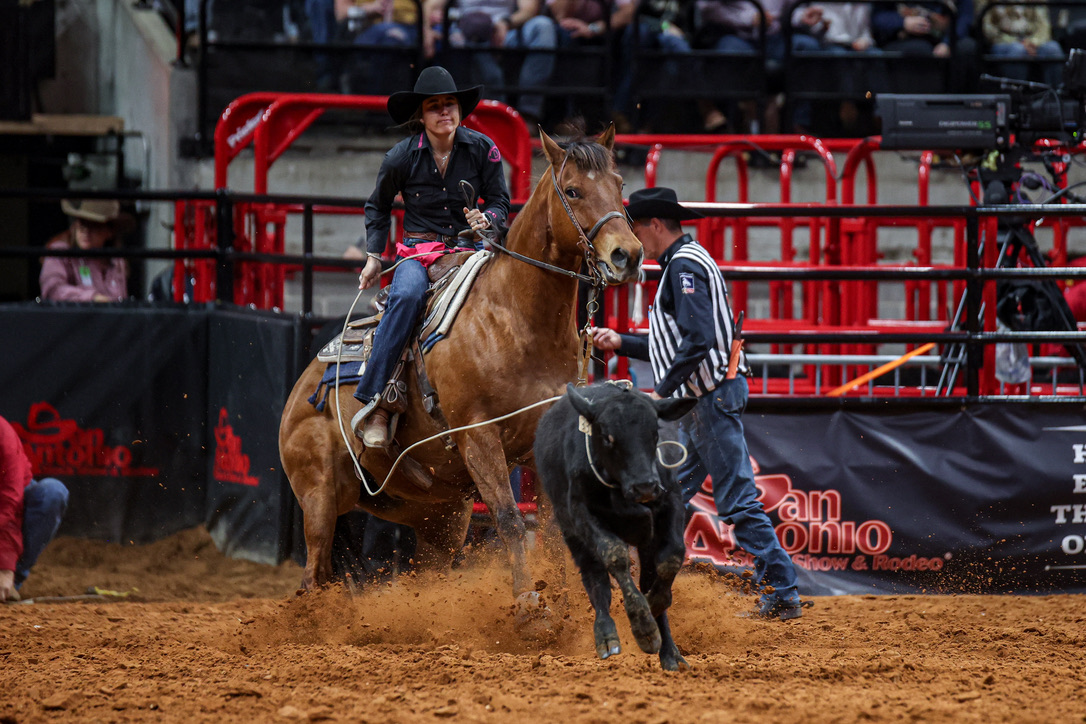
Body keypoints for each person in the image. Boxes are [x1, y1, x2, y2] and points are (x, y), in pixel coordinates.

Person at [589, 187, 807, 620]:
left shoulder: (683, 268)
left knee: (735, 501)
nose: (633, 237)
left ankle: (782, 591)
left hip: (706, 399)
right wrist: (624, 342)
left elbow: (698, 339)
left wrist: (664, 390)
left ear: (655, 225)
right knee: (673, 495)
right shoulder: (687, 262)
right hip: (707, 397)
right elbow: (684, 340)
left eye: (636, 226)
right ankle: (655, 583)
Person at [350, 66, 511, 449]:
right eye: (435, 107)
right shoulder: (399, 157)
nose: (445, 113)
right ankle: (379, 404)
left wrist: (486, 219)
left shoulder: (483, 149)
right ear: (421, 117)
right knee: (406, 297)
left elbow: (502, 202)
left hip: (469, 251)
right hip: (418, 254)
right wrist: (374, 255)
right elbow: (378, 206)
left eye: (450, 104)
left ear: (460, 110)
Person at [0, 415, 69, 601]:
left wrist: (5, 568)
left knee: (52, 493)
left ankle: (12, 581)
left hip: (12, 505)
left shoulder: (2, 434)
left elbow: (8, 505)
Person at [39, 199, 130, 303]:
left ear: (109, 231)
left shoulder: (116, 261)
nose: (85, 230)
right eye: (82, 223)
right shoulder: (60, 252)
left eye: (94, 225)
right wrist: (93, 298)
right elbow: (52, 290)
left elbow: (122, 300)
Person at [977, 0, 1065, 89]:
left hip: (1032, 39)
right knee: (1018, 50)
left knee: (1053, 48)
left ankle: (1056, 95)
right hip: (1003, 41)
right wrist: (1016, 41)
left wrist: (1033, 42)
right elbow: (987, 29)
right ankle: (1016, 97)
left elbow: (1044, 26)